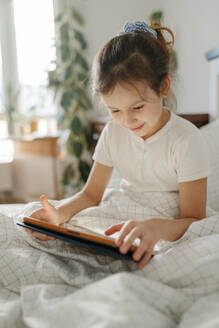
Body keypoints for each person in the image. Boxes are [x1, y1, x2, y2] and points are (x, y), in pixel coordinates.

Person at [26, 21, 208, 270]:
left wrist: (155, 228)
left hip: (167, 222)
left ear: (164, 87)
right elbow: (91, 195)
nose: (127, 120)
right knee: (45, 226)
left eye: (137, 107)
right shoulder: (113, 132)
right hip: (124, 209)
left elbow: (195, 220)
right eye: (114, 110)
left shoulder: (186, 139)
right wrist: (60, 214)